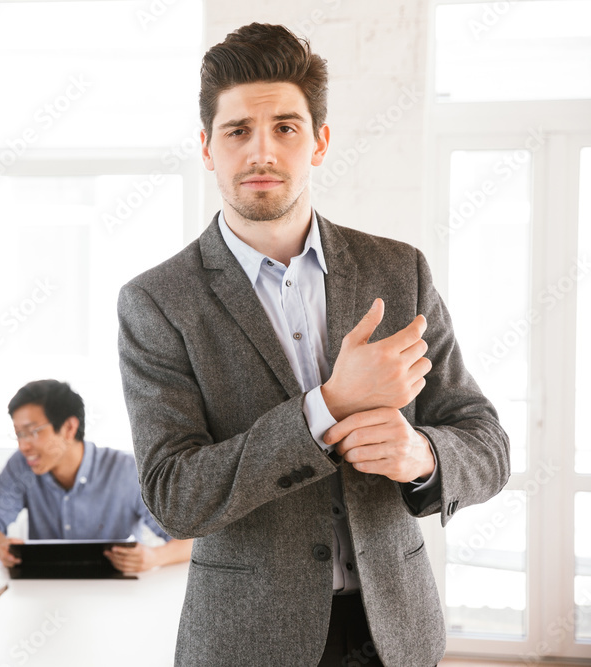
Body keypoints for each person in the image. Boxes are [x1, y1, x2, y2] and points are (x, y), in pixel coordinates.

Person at [116, 23, 510, 667]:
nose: (261, 152)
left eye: (286, 128)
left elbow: (486, 441)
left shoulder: (398, 271)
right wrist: (326, 407)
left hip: (398, 635)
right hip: (248, 644)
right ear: (208, 149)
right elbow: (174, 497)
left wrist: (422, 454)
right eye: (238, 130)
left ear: (320, 142)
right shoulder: (158, 302)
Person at [0, 379, 192, 574]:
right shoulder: (22, 466)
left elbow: (190, 539)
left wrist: (153, 557)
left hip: (116, 594)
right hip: (47, 590)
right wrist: (3, 547)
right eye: (19, 434)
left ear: (69, 428)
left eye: (32, 432)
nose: (23, 446)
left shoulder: (126, 471)